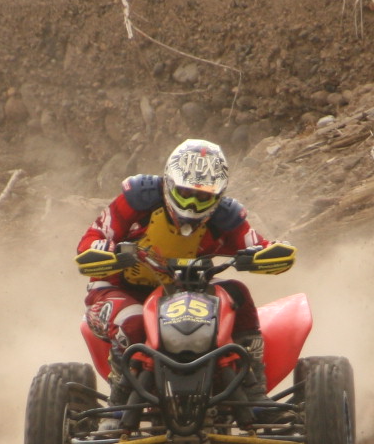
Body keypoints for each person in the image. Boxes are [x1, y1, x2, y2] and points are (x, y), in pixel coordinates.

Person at [76, 139, 295, 425]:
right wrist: (103, 250)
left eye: (202, 197)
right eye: (185, 193)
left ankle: (254, 394)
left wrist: (269, 254)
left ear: (218, 195)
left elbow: (257, 245)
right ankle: (117, 408)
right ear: (169, 182)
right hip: (117, 290)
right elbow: (94, 237)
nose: (192, 204)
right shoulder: (138, 198)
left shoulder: (227, 215)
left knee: (236, 292)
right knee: (134, 324)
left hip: (188, 290)